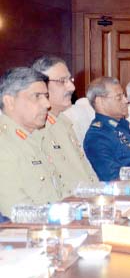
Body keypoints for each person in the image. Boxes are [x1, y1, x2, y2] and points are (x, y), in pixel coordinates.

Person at [31, 55, 99, 194]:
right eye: (62, 81)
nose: (72, 87)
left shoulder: (63, 122)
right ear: (41, 86)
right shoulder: (35, 128)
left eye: (70, 80)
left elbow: (84, 173)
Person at [0, 67, 63, 216]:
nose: (47, 104)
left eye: (46, 96)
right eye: (37, 96)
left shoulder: (35, 138)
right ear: (9, 101)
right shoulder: (4, 144)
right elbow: (18, 212)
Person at [83, 77, 130, 181]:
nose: (126, 100)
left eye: (124, 95)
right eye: (119, 97)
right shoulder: (97, 137)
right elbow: (113, 180)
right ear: (100, 101)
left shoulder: (121, 126)